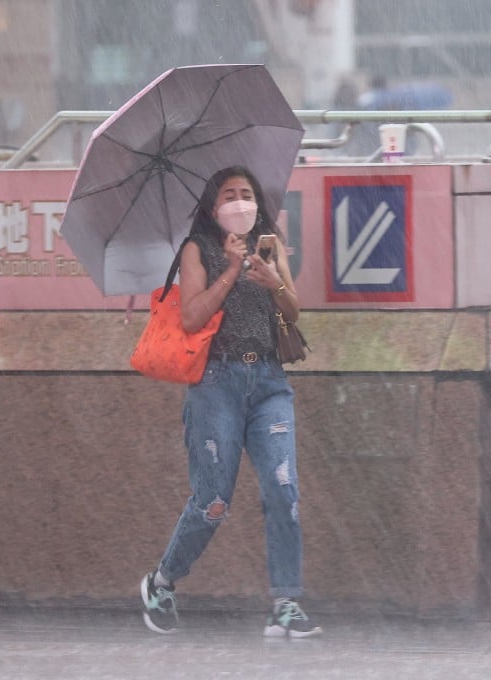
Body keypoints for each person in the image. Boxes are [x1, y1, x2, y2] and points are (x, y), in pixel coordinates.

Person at [139, 166, 320, 638]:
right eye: (229, 195)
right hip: (216, 383)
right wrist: (233, 270)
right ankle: (162, 582)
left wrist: (270, 281)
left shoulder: (269, 244)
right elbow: (193, 317)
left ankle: (286, 603)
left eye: (246, 194)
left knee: (283, 489)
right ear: (212, 205)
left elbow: (295, 308)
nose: (240, 202)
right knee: (213, 501)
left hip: (268, 382)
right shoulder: (197, 249)